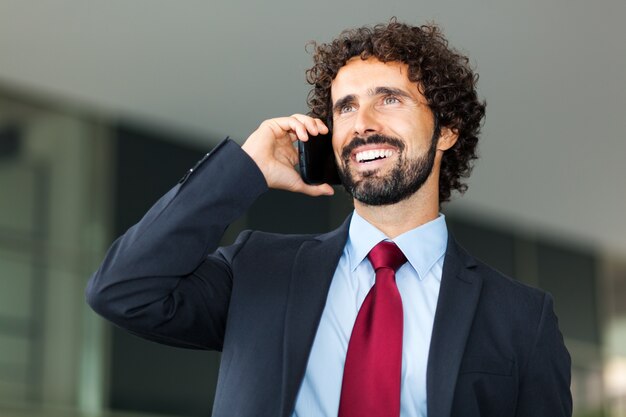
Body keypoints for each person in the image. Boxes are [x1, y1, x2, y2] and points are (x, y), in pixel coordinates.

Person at [86, 19, 572, 417]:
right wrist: (244, 171)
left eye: (389, 99)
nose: (363, 123)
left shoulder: (522, 318)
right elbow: (123, 290)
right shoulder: (260, 269)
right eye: (346, 107)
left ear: (446, 131)